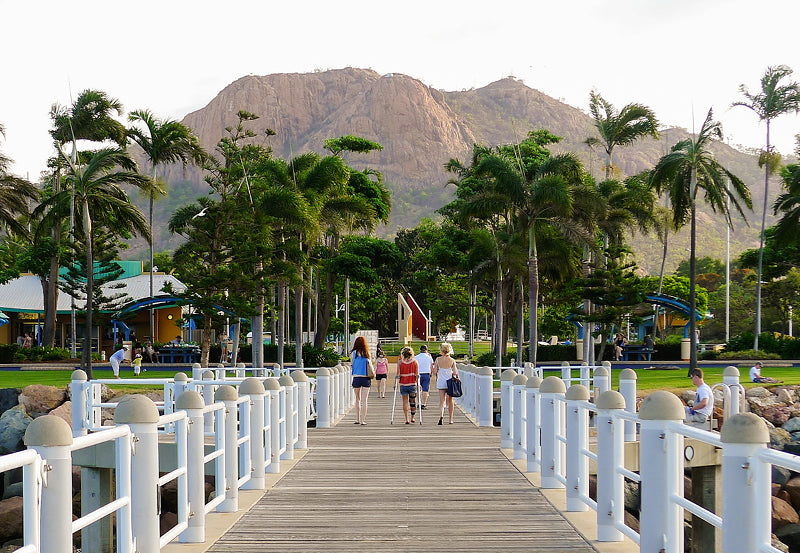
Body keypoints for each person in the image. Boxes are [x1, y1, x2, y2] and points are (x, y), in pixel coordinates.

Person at [432, 342, 459, 425]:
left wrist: (432, 368)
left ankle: (441, 416)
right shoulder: (452, 360)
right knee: (450, 401)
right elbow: (455, 372)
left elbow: (434, 371)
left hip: (441, 381)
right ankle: (450, 419)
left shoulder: (438, 359)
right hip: (450, 382)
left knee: (441, 401)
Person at [350, 336, 373, 425]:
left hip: (356, 377)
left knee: (357, 399)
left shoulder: (353, 353)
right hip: (366, 377)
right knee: (364, 400)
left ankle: (357, 419)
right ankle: (363, 420)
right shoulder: (367, 353)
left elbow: (352, 364)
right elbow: (370, 364)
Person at [396, 346, 419, 424]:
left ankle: (407, 419)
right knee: (412, 401)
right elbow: (417, 374)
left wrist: (395, 383)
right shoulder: (415, 362)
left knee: (405, 401)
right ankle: (413, 417)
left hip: (403, 384)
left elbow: (398, 374)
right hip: (412, 384)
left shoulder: (400, 362)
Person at [414, 344, 434, 409]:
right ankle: (424, 403)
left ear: (420, 350)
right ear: (426, 350)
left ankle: (418, 403)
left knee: (418, 389)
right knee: (425, 389)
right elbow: (432, 366)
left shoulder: (416, 357)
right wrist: (431, 373)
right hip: (426, 374)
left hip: (418, 374)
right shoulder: (429, 357)